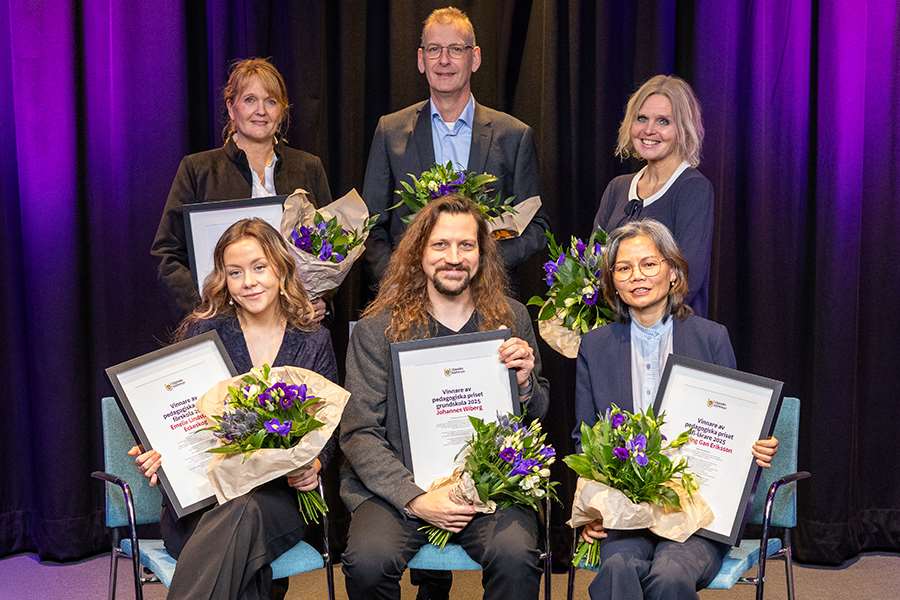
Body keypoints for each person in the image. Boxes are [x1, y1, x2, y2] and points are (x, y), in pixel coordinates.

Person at [339, 195, 550, 600]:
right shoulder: (376, 331)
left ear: (482, 254)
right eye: (440, 245)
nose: (454, 257)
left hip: (491, 485)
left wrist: (524, 385)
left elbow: (538, 415)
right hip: (399, 486)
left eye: (466, 245)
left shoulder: (511, 318)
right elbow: (359, 432)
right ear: (419, 253)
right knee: (367, 561)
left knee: (517, 554)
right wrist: (416, 498)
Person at [130, 219, 338, 599]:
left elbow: (328, 429)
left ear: (280, 268)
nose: (249, 282)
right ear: (223, 280)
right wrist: (154, 447)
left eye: (259, 267)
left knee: (246, 512)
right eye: (235, 272)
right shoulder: (203, 333)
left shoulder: (312, 340)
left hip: (279, 499)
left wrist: (315, 463)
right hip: (202, 500)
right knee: (245, 561)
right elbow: (174, 415)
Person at [574, 219, 778, 600]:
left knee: (669, 575)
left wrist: (758, 446)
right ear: (612, 281)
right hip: (627, 514)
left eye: (649, 264)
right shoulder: (595, 347)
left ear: (672, 271)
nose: (637, 276)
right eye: (623, 268)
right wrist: (592, 510)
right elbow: (584, 439)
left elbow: (734, 426)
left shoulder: (710, 338)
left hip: (696, 513)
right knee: (618, 569)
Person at [361, 6, 550, 295]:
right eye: (434, 49)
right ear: (421, 59)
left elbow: (535, 228)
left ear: (474, 58)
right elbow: (370, 227)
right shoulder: (390, 131)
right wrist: (400, 282)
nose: (444, 60)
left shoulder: (513, 135)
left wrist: (481, 266)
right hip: (411, 299)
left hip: (487, 296)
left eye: (455, 49)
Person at [152, 57, 332, 318]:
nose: (261, 111)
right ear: (231, 106)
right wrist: (207, 303)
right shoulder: (198, 169)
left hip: (294, 321)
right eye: (250, 100)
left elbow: (329, 248)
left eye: (271, 101)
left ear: (282, 111)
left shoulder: (308, 167)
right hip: (220, 323)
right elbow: (166, 255)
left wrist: (321, 299)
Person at [593, 75, 713, 316]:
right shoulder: (617, 187)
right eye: (642, 118)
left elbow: (688, 279)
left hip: (671, 334)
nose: (649, 130)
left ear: (683, 129)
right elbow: (594, 265)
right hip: (614, 330)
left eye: (663, 121)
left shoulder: (693, 188)